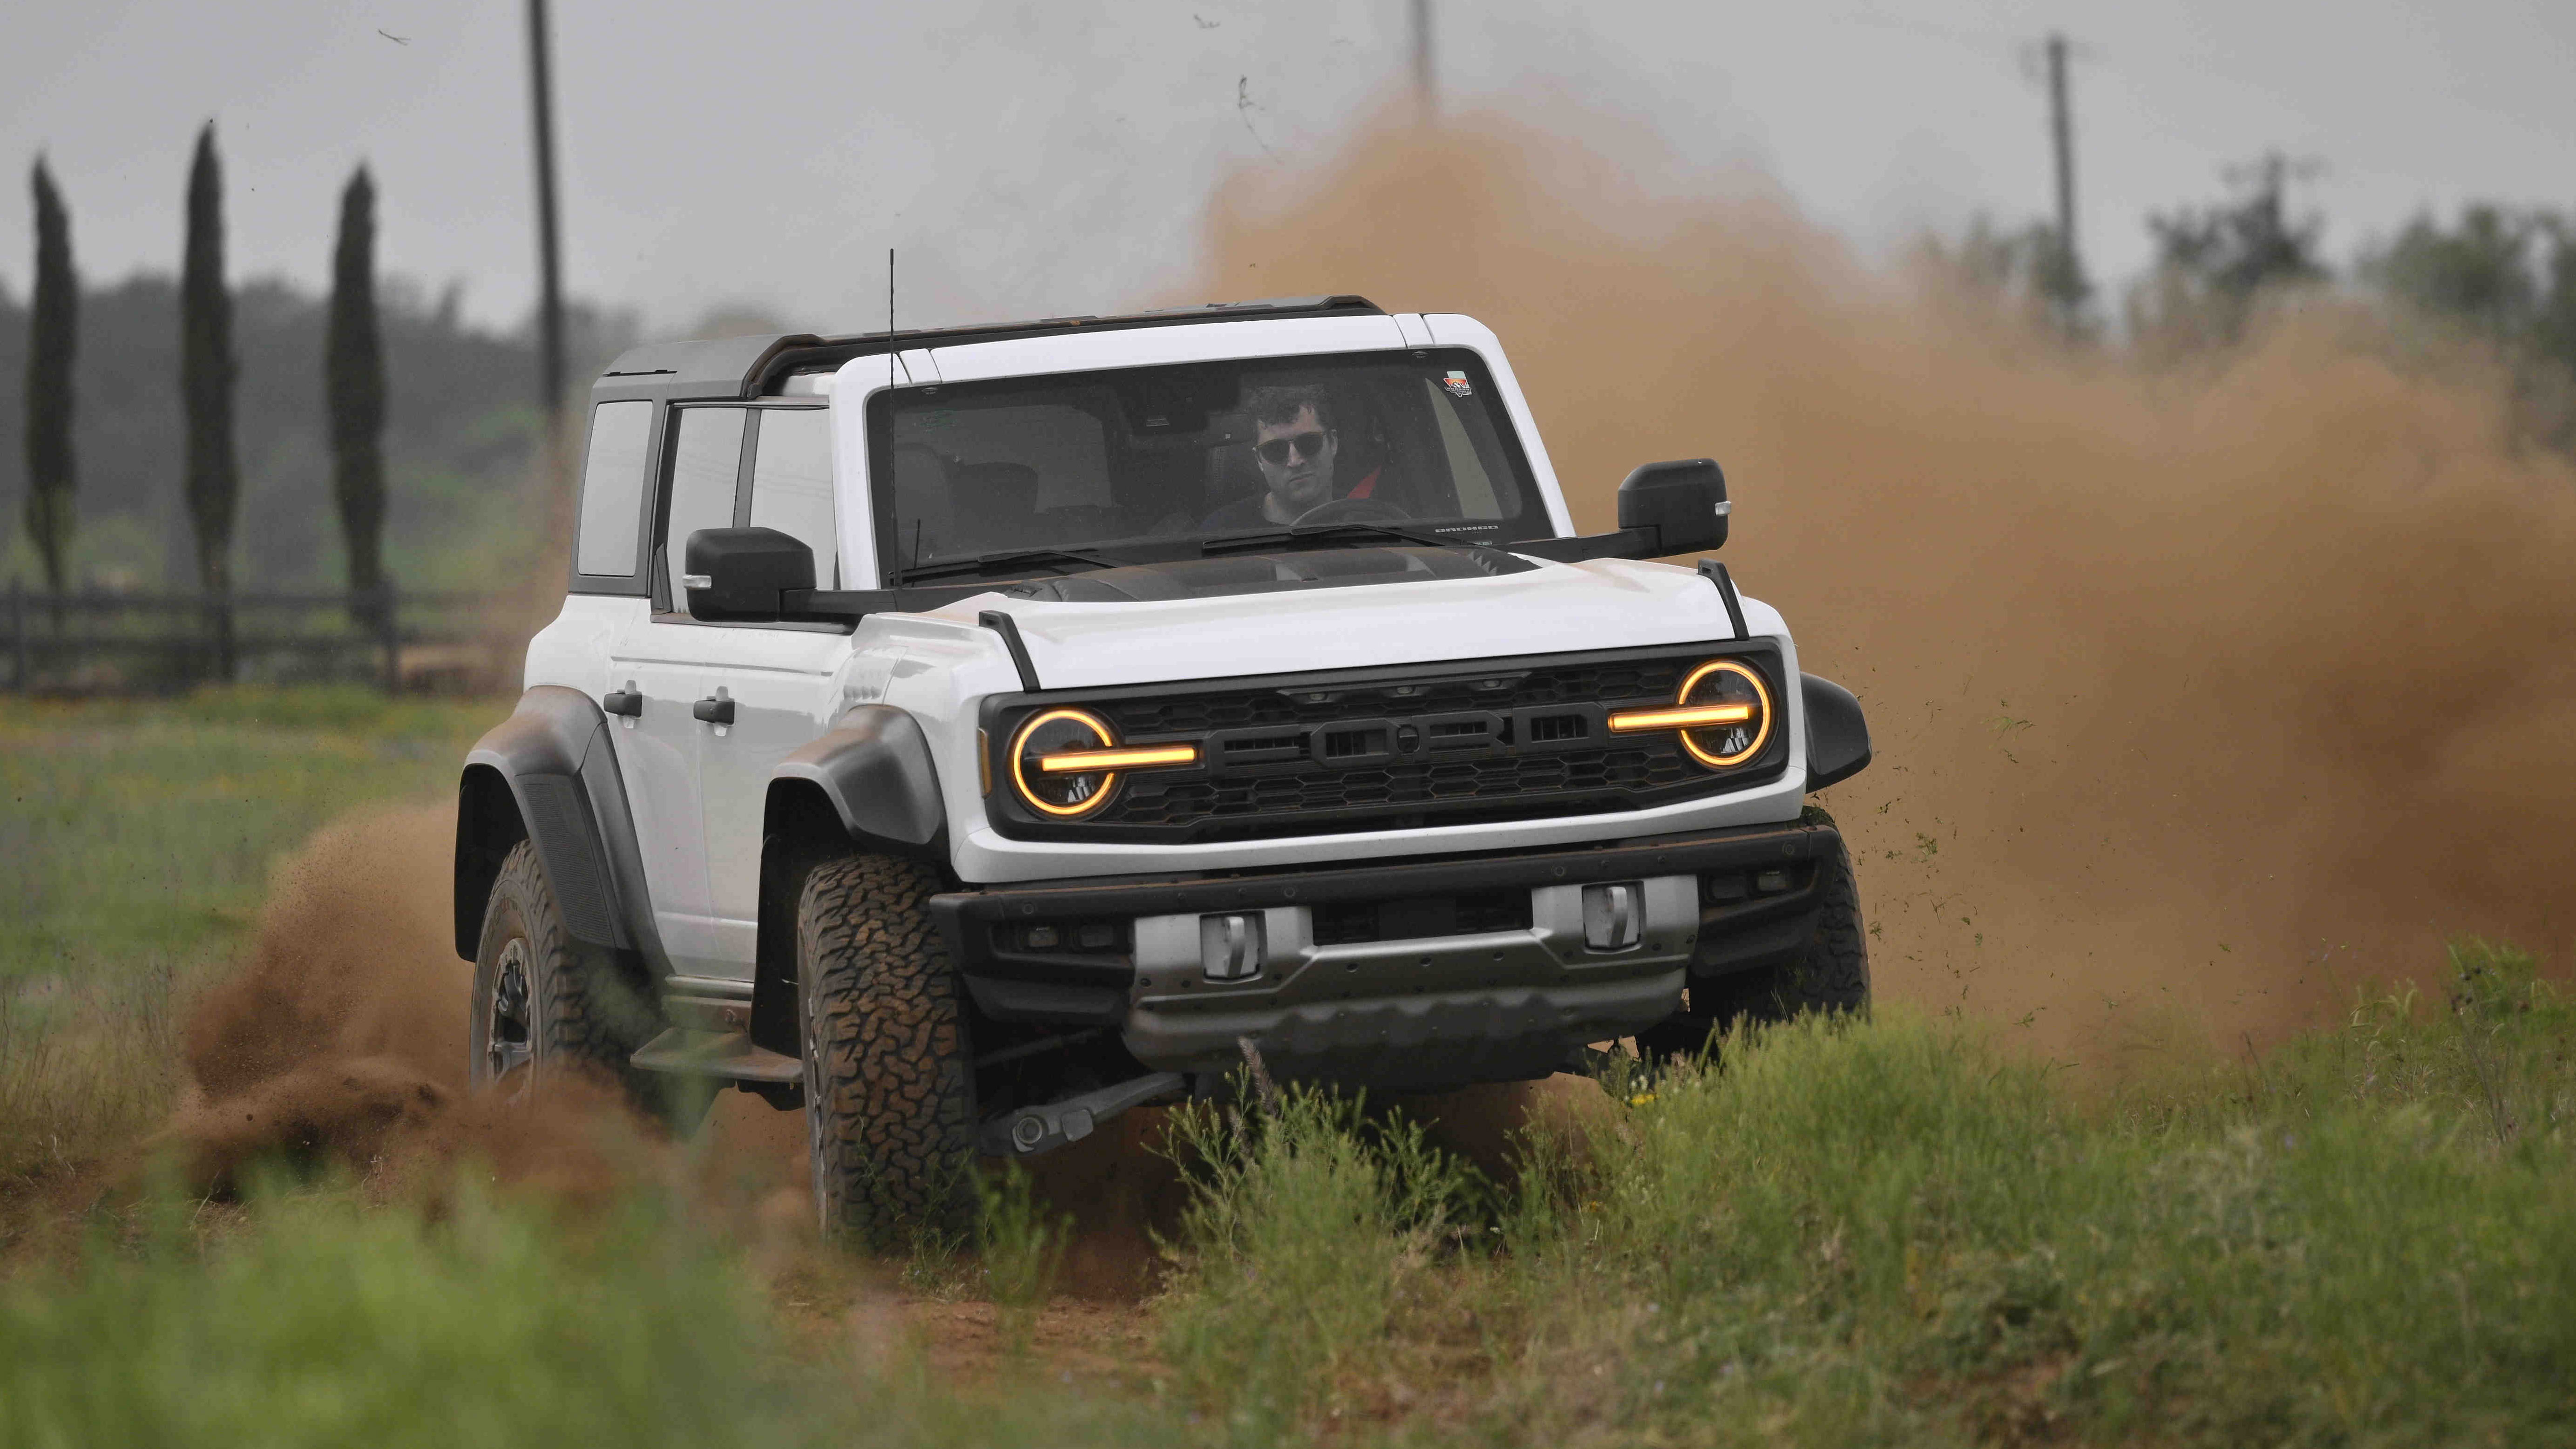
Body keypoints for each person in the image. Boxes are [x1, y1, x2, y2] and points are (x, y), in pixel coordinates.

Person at [1201, 384, 1381, 530]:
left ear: (1333, 443)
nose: (1294, 461)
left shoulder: (1371, 523)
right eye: (1275, 450)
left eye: (1309, 443)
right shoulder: (1221, 531)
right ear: (1259, 460)